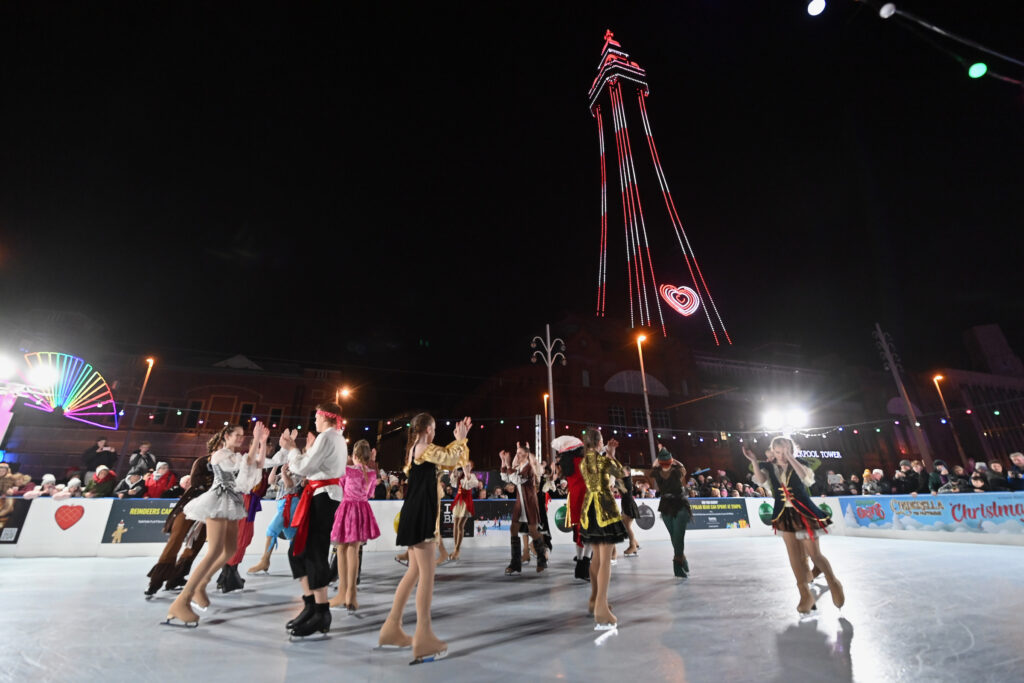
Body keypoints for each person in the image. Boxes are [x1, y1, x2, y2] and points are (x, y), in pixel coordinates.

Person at [378, 414, 471, 664]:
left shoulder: (416, 449)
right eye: (434, 429)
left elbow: (448, 459)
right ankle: (423, 638)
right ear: (429, 429)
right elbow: (450, 458)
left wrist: (459, 442)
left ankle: (392, 628)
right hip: (421, 515)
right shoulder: (424, 448)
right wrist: (461, 440)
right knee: (427, 577)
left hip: (414, 512)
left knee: (414, 573)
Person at [162, 423, 266, 626]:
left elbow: (257, 465)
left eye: (243, 436)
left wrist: (261, 442)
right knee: (215, 550)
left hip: (232, 502)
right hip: (218, 501)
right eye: (237, 435)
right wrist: (255, 444)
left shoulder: (237, 456)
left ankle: (202, 583)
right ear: (226, 436)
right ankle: (181, 601)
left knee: (230, 550)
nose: (240, 439)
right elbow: (244, 466)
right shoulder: (220, 455)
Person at [269, 403, 348, 638]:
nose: (314, 420)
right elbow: (307, 466)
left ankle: (321, 611)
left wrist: (293, 449)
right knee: (299, 551)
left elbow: (304, 466)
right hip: (318, 495)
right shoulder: (333, 438)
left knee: (312, 550)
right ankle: (312, 605)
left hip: (322, 497)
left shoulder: (328, 437)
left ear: (325, 416)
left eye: (316, 416)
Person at [744, 437, 843, 615]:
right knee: (794, 557)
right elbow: (760, 480)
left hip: (804, 513)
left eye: (786, 451)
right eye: (779, 452)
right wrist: (754, 461)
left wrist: (791, 458)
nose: (782, 455)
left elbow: (806, 478)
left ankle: (833, 582)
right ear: (773, 452)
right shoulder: (769, 467)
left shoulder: (801, 464)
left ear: (791, 449)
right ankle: (805, 594)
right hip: (784, 514)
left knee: (814, 554)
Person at [578, 428, 628, 630]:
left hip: (589, 508)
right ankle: (601, 610)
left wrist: (606, 453)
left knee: (597, 558)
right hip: (604, 508)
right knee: (605, 560)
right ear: (599, 443)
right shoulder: (601, 460)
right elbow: (621, 473)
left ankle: (594, 600)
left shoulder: (584, 462)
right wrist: (611, 454)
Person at [146, 455, 214, 597]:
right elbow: (196, 481)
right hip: (192, 503)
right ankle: (156, 581)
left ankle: (176, 577)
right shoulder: (203, 461)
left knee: (196, 543)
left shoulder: (229, 461)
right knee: (175, 540)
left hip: (210, 507)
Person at [328, 440, 380, 611]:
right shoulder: (372, 474)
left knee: (342, 549)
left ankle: (343, 592)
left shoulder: (347, 471)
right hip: (362, 510)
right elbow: (371, 494)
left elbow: (340, 488)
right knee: (354, 551)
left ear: (355, 456)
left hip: (347, 508)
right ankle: (352, 594)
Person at [499, 443, 548, 575]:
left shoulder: (529, 468)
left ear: (526, 454)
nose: (517, 455)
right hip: (520, 502)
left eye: (520, 453)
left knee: (533, 531)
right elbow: (506, 478)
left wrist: (509, 465)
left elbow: (517, 480)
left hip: (529, 502)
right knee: (513, 529)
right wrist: (503, 461)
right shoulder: (519, 466)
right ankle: (515, 563)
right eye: (517, 452)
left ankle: (542, 558)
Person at [645, 445, 691, 577]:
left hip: (678, 504)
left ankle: (677, 565)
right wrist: (670, 457)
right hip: (667, 505)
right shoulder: (673, 470)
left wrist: (661, 455)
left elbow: (654, 466)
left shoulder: (667, 471)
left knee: (677, 536)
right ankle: (682, 558)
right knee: (675, 536)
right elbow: (682, 466)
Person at [247, 464, 301, 576]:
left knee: (271, 530)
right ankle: (299, 563)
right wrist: (276, 466)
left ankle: (264, 561)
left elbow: (289, 485)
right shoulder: (284, 473)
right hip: (282, 503)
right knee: (291, 534)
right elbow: (271, 481)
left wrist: (284, 473)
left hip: (290, 503)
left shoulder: (299, 473)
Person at [552, 435, 591, 581]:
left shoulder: (566, 465)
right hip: (587, 500)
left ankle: (579, 566)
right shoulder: (584, 462)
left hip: (574, 501)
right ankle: (584, 568)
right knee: (590, 535)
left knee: (579, 534)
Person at [450, 460, 480, 561]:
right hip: (458, 501)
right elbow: (453, 483)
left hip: (466, 502)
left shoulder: (472, 476)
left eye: (469, 465)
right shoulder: (459, 475)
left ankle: (457, 550)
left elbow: (471, 484)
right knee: (455, 524)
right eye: (465, 464)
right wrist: (455, 468)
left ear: (471, 467)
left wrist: (466, 472)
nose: (467, 466)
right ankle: (455, 548)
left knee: (460, 525)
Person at [618, 464, 641, 557]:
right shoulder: (624, 480)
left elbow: (623, 490)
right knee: (626, 525)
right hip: (626, 503)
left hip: (628, 504)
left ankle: (633, 546)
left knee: (627, 526)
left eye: (623, 471)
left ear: (628, 472)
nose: (621, 473)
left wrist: (616, 481)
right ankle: (635, 544)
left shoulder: (627, 481)